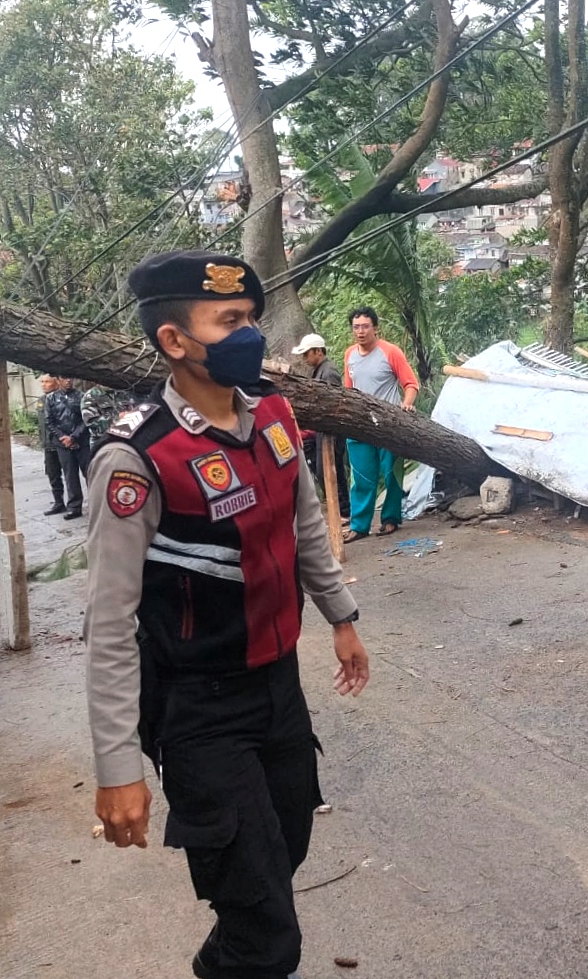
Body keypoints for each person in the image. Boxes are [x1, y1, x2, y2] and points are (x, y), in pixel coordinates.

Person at [86, 250, 369, 979]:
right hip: (198, 710)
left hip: (278, 691)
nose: (251, 337)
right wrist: (118, 766)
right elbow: (111, 621)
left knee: (280, 859)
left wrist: (340, 614)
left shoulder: (272, 411)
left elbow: (304, 522)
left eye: (253, 319)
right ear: (174, 341)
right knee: (266, 929)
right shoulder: (137, 457)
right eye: (231, 322)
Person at [341, 306, 419, 541]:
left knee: (391, 474)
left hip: (388, 423)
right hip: (360, 424)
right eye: (356, 327)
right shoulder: (350, 355)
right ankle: (359, 526)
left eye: (365, 326)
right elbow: (349, 389)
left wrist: (406, 404)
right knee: (361, 477)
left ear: (375, 328)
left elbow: (411, 384)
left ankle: (390, 519)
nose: (361, 331)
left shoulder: (390, 352)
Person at [292, 332, 350, 523]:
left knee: (332, 471)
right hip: (324, 431)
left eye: (307, 353)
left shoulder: (328, 372)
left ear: (318, 351)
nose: (304, 358)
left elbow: (331, 403)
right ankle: (342, 511)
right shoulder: (320, 371)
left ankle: (344, 512)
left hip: (331, 431)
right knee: (326, 471)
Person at [46, 376, 90, 520]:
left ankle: (97, 503)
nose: (68, 381)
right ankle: (74, 507)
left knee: (90, 473)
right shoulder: (51, 398)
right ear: (58, 380)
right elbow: (49, 421)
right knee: (70, 476)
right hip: (62, 444)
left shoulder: (81, 396)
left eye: (70, 378)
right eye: (64, 378)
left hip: (81, 442)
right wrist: (62, 437)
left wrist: (74, 437)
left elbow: (86, 419)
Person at [38, 375, 70, 516]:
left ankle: (75, 502)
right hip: (48, 444)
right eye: (42, 382)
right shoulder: (41, 400)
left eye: (47, 382)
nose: (44, 385)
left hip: (61, 442)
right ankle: (59, 502)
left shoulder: (61, 398)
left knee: (70, 474)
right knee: (52, 474)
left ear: (56, 383)